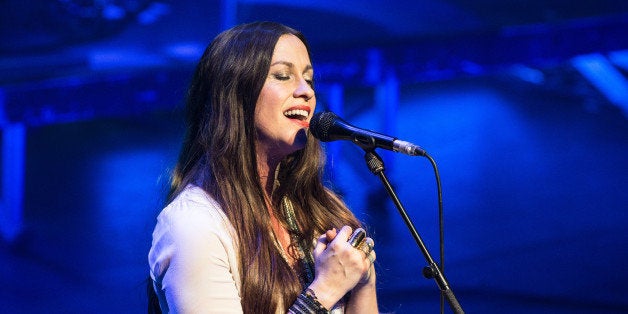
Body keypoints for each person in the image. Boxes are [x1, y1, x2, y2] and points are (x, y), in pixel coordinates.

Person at [148, 21, 378, 313]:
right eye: (283, 76)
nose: (305, 91)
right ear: (235, 95)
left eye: (309, 79)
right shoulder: (193, 225)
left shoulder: (315, 208)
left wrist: (363, 280)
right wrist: (325, 290)